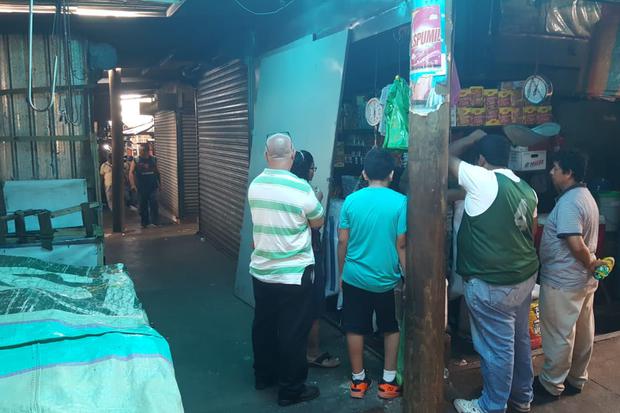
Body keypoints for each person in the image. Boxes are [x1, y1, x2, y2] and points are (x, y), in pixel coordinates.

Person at [449, 131, 539, 413]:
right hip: (524, 276)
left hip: (493, 284)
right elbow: (530, 232)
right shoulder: (526, 188)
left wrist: (471, 137)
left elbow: (442, 156)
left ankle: (491, 405)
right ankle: (522, 396)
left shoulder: (483, 178)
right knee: (518, 339)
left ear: (481, 159)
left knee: (496, 348)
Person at [248, 133, 325, 407]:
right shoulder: (301, 189)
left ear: (266, 156)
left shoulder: (255, 185)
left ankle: (263, 376)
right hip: (294, 274)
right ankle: (291, 390)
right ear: (292, 155)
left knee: (264, 325)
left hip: (262, 271)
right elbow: (317, 222)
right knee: (293, 331)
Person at [534, 150, 605, 402]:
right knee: (583, 329)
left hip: (564, 281)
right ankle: (576, 377)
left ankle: (552, 383)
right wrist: (591, 266)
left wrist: (591, 262)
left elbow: (574, 243)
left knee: (559, 333)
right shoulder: (586, 197)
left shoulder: (570, 202)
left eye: (555, 167)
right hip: (581, 281)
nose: (551, 172)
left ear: (569, 173)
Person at [338, 148, 407, 400]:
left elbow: (342, 242)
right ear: (391, 173)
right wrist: (406, 276)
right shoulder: (401, 202)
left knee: (355, 328)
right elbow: (401, 244)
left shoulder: (351, 201)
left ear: (364, 173)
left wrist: (342, 274)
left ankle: (358, 381)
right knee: (390, 327)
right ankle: (388, 382)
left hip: (354, 276)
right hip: (387, 280)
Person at [290, 150, 341, 369]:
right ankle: (312, 352)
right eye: (313, 168)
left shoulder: (285, 189)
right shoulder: (309, 192)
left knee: (294, 304)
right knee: (313, 304)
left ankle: (294, 348)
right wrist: (317, 199)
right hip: (309, 254)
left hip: (289, 258)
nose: (314, 171)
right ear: (307, 170)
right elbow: (316, 223)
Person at [129, 143, 160, 228]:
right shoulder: (136, 160)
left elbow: (158, 172)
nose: (141, 152)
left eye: (142, 150)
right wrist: (132, 185)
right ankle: (144, 222)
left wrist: (160, 185)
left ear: (147, 151)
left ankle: (155, 222)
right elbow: (131, 173)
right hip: (141, 187)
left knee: (154, 204)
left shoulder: (153, 159)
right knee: (143, 205)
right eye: (140, 150)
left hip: (153, 186)